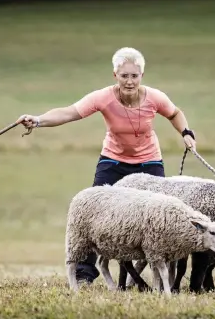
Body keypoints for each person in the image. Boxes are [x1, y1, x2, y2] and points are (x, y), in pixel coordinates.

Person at [17, 47, 197, 286]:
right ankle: (83, 273)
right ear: (115, 75)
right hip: (113, 161)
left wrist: (185, 132)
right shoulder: (103, 97)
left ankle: (156, 277)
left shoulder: (155, 97)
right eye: (124, 76)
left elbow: (175, 113)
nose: (129, 81)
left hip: (149, 161)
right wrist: (38, 120)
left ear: (142, 75)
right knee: (92, 212)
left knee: (158, 217)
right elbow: (69, 113)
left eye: (134, 75)